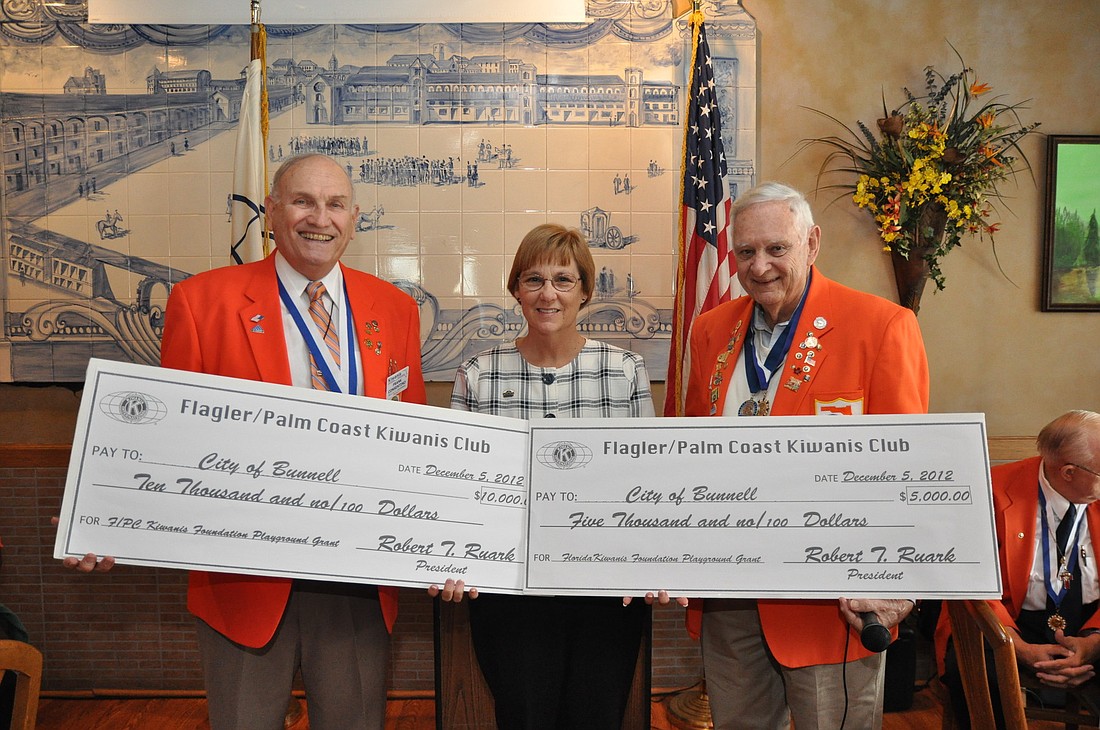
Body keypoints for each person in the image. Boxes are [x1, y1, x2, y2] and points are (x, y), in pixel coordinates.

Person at [63, 153, 427, 730]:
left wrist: (440, 544)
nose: (320, 218)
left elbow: (414, 445)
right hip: (242, 578)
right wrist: (109, 522)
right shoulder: (202, 303)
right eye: (303, 201)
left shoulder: (396, 310)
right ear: (272, 212)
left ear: (354, 218)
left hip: (357, 575)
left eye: (335, 205)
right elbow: (166, 438)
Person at [683, 181, 928, 729]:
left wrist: (895, 584)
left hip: (831, 599)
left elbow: (907, 470)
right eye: (745, 252)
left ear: (812, 243)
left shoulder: (883, 326)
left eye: (777, 248)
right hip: (730, 592)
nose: (760, 265)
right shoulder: (710, 331)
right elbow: (692, 455)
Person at [437, 223, 670, 729]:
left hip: (606, 591)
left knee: (597, 717)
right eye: (533, 279)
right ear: (516, 290)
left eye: (564, 280)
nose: (548, 294)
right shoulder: (477, 372)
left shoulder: (624, 370)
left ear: (586, 290)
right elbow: (457, 487)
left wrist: (653, 560)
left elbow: (647, 483)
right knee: (523, 716)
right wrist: (448, 557)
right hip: (510, 593)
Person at [938, 410, 1100, 727]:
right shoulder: (989, 491)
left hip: (1091, 620)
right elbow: (969, 581)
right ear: (1068, 472)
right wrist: (1014, 646)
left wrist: (1094, 642)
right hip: (1006, 619)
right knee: (974, 672)